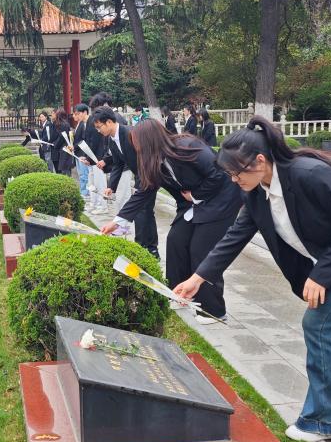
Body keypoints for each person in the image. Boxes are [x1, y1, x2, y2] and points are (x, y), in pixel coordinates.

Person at [173, 116, 331, 442]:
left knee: (319, 325)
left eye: (236, 173)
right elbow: (234, 237)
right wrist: (198, 279)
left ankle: (322, 420)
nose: (233, 180)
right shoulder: (256, 193)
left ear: (260, 161)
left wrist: (321, 276)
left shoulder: (308, 174)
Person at [100, 119, 242, 324]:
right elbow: (144, 191)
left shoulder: (188, 147)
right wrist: (118, 221)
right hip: (192, 203)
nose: (137, 150)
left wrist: (195, 195)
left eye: (138, 146)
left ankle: (213, 310)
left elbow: (219, 174)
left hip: (220, 200)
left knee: (201, 249)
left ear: (150, 142)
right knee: (176, 240)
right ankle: (179, 294)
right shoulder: (154, 161)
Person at [91, 106, 158, 256]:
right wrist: (111, 187)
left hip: (148, 175)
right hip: (140, 176)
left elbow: (146, 158)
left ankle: (145, 247)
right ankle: (150, 248)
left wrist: (143, 181)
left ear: (109, 122)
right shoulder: (111, 140)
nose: (98, 131)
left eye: (99, 127)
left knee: (142, 211)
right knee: (145, 211)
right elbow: (118, 164)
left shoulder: (130, 134)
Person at [50, 108, 76, 175]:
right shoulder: (66, 123)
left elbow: (61, 137)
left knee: (65, 170)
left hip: (64, 148)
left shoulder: (62, 124)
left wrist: (55, 144)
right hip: (66, 147)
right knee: (66, 169)